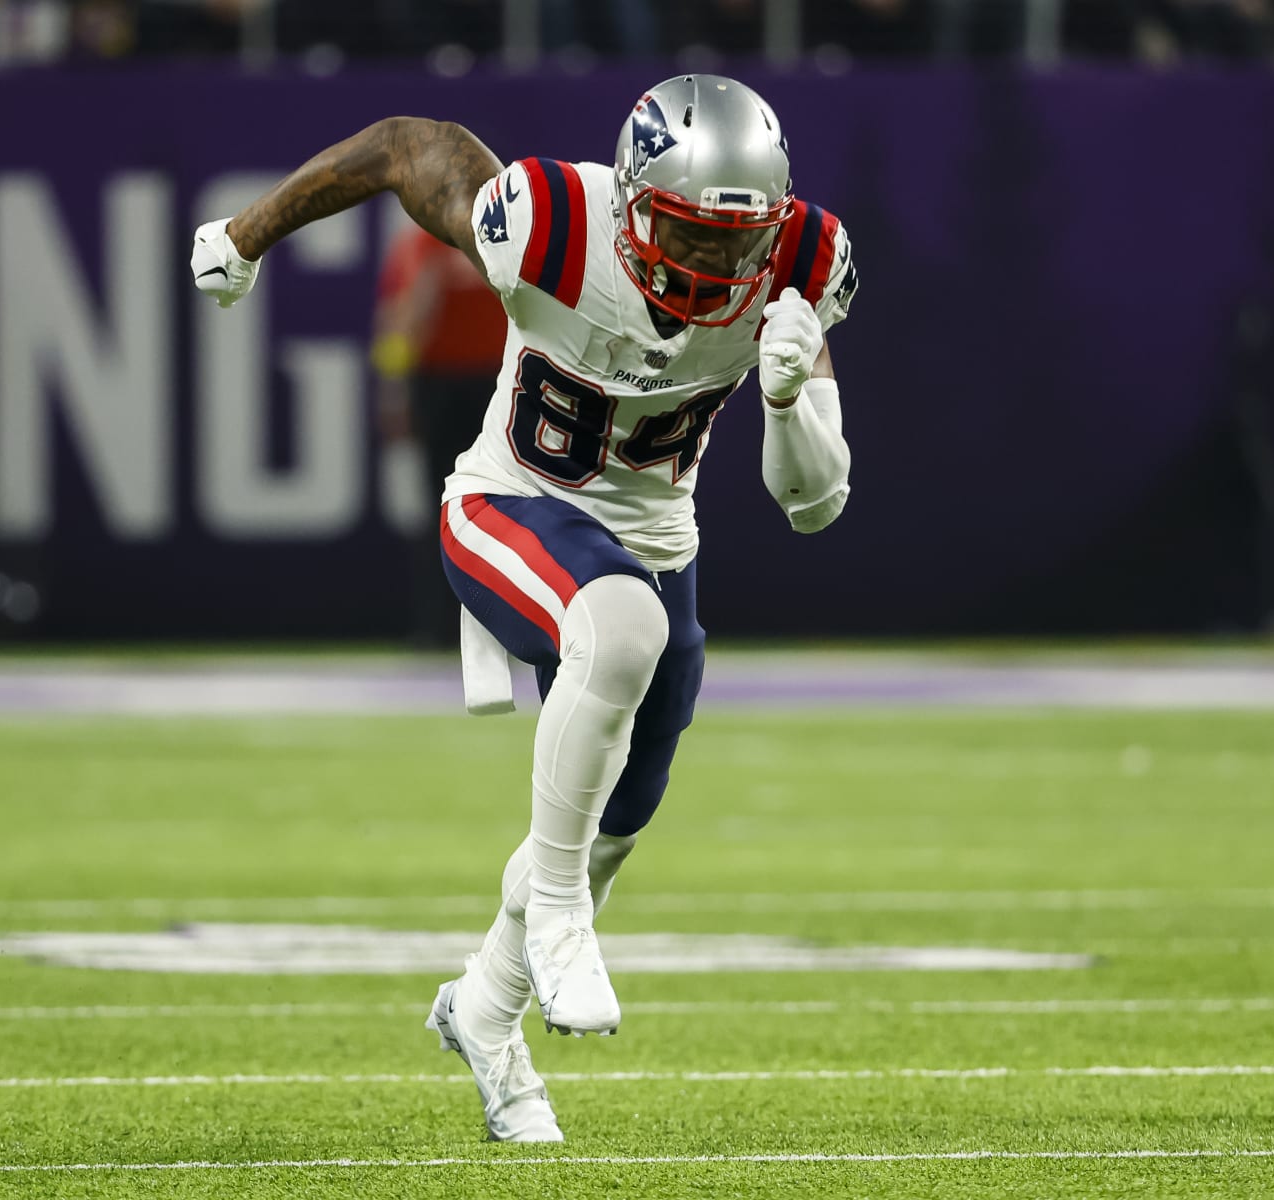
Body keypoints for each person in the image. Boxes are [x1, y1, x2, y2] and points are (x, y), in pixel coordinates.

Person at [191, 75, 856, 1143]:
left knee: (615, 820)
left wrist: (786, 400)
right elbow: (404, 145)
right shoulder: (553, 222)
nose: (711, 262)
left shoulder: (800, 263)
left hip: (658, 541)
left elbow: (813, 504)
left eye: (736, 241)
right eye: (688, 231)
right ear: (632, 202)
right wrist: (248, 232)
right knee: (622, 632)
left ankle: (487, 1013)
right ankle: (556, 915)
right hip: (509, 505)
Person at [370, 224, 508, 647]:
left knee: (483, 508)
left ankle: (475, 625)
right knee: (456, 507)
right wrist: (395, 388)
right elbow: (401, 318)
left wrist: (393, 388)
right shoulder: (427, 244)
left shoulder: (482, 240)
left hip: (492, 382)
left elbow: (401, 319)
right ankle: (448, 624)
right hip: (448, 384)